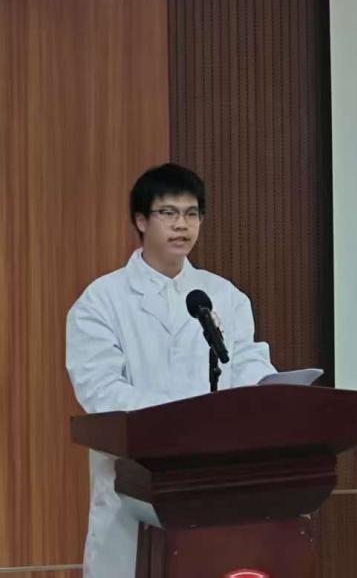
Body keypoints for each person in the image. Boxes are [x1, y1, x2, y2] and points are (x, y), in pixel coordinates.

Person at [65, 164, 276, 578]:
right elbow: (100, 391)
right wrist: (179, 421)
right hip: (134, 492)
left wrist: (269, 394)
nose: (182, 225)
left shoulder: (225, 296)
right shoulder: (102, 301)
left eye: (192, 213)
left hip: (213, 484)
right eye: (169, 213)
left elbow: (247, 366)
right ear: (141, 220)